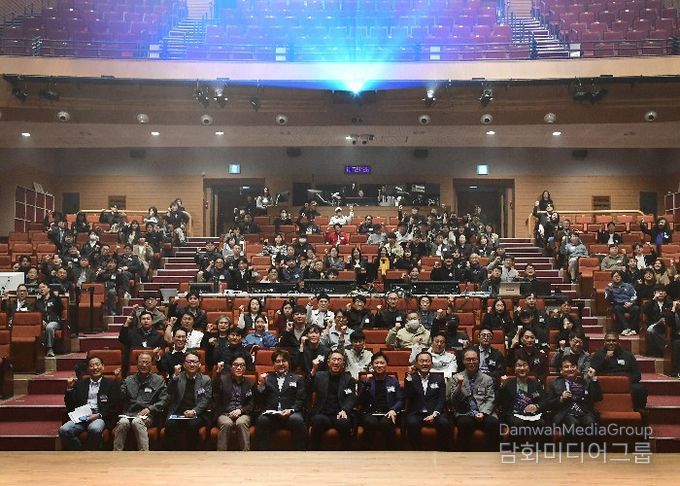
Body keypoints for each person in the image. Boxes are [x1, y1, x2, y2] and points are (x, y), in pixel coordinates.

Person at [59, 355, 120, 450]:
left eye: (97, 364)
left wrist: (98, 415)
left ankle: (92, 452)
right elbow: (70, 405)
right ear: (88, 369)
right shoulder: (80, 384)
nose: (95, 368)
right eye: (91, 366)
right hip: (81, 417)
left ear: (103, 367)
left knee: (94, 428)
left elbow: (113, 406)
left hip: (99, 416)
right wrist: (70, 388)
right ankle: (80, 452)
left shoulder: (111, 384)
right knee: (64, 430)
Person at [113, 352, 168, 451]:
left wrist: (150, 408)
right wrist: (117, 381)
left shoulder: (159, 380)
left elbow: (164, 400)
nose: (144, 365)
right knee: (122, 422)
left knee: (137, 421)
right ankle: (117, 452)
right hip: (129, 413)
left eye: (147, 362)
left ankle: (144, 453)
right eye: (141, 362)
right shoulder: (128, 380)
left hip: (148, 415)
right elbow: (120, 397)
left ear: (151, 364)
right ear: (137, 364)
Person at [254, 350, 307, 450]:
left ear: (288, 363)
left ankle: (300, 453)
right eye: (278, 361)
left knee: (297, 420)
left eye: (284, 361)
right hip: (272, 414)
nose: (281, 364)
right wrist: (261, 385)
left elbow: (301, 399)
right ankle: (261, 454)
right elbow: (259, 399)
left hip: (291, 413)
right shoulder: (267, 378)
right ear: (273, 364)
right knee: (262, 420)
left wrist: (291, 410)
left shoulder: (297, 378)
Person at [544, 355, 602, 442]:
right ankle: (571, 449)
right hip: (564, 413)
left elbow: (597, 398)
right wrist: (561, 398)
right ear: (561, 370)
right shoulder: (554, 383)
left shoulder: (585, 382)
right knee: (573, 423)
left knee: (591, 423)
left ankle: (590, 449)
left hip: (583, 412)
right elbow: (548, 404)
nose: (570, 369)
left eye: (573, 366)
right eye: (566, 367)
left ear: (577, 369)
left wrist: (593, 379)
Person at [451, 347, 499, 451]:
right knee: (464, 423)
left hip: (484, 411)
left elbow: (491, 399)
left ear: (478, 360)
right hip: (465, 412)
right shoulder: (456, 378)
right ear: (463, 361)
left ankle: (491, 454)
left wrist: (483, 413)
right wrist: (459, 385)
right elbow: (454, 400)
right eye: (468, 360)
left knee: (493, 423)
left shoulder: (487, 379)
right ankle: (463, 455)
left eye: (474, 359)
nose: (471, 362)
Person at [308, 350, 357, 450]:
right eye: (333, 359)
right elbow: (308, 389)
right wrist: (313, 370)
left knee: (344, 422)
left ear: (343, 364)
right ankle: (314, 453)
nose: (336, 362)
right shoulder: (319, 376)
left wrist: (345, 410)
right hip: (323, 413)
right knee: (318, 420)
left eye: (339, 360)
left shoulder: (348, 379)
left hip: (340, 414)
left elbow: (351, 397)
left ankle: (347, 454)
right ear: (328, 362)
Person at [164, 352, 212, 450]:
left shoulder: (205, 380)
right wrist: (174, 376)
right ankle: (172, 453)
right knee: (170, 424)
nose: (192, 364)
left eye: (195, 362)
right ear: (184, 364)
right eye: (189, 362)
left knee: (192, 424)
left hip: (197, 414)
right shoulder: (177, 377)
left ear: (199, 364)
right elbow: (169, 392)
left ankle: (191, 453)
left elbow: (206, 400)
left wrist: (194, 411)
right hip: (178, 412)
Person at [404, 351, 449, 450]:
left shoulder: (439, 379)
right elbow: (408, 396)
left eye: (427, 361)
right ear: (416, 364)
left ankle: (441, 451)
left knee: (444, 423)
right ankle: (417, 451)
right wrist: (409, 376)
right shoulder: (411, 378)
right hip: (417, 413)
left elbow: (441, 399)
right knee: (412, 423)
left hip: (434, 412)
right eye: (421, 361)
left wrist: (434, 414)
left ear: (431, 364)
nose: (424, 363)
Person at [590, 331, 648, 410]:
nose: (611, 343)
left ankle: (638, 411)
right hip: (605, 383)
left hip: (625, 383)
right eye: (608, 341)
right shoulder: (598, 354)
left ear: (618, 342)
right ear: (604, 342)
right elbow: (593, 371)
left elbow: (637, 375)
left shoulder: (628, 355)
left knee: (640, 389)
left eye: (614, 341)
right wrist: (605, 359)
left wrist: (624, 381)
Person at [358, 352, 402, 450]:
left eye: (382, 363)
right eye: (376, 363)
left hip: (388, 412)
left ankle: (392, 452)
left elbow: (400, 399)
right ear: (372, 365)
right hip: (369, 412)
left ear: (386, 365)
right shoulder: (366, 381)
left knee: (386, 423)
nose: (379, 365)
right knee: (371, 423)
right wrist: (366, 386)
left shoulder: (393, 381)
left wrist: (393, 410)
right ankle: (366, 452)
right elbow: (359, 401)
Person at [497, 357, 546, 444]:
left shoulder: (536, 384)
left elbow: (544, 401)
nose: (522, 368)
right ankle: (518, 449)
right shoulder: (508, 384)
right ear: (515, 369)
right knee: (518, 423)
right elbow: (498, 400)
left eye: (524, 365)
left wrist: (536, 406)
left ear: (529, 368)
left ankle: (535, 449)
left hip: (531, 415)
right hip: (513, 414)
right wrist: (502, 386)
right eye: (519, 366)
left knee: (541, 423)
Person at [213, 354, 255, 451]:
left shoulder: (250, 383)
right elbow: (214, 392)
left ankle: (246, 454)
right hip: (225, 413)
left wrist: (241, 410)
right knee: (226, 423)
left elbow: (251, 403)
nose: (239, 368)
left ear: (245, 367)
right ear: (231, 367)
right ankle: (221, 455)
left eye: (242, 365)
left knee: (241, 422)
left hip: (243, 414)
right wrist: (218, 373)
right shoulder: (222, 380)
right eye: (236, 365)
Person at [605, 270, 640, 336]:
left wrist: (631, 302)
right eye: (615, 276)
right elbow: (608, 299)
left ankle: (633, 329)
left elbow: (634, 296)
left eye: (619, 276)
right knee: (617, 308)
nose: (617, 277)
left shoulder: (628, 286)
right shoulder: (609, 288)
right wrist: (610, 290)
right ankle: (626, 328)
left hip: (629, 304)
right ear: (612, 278)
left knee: (636, 308)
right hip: (618, 305)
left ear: (621, 277)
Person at [35, 282, 64, 357]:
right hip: (43, 322)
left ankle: (49, 349)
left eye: (43, 287)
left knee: (49, 327)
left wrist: (57, 297)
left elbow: (61, 308)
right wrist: (40, 320)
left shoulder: (55, 299)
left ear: (48, 289)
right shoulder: (38, 302)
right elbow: (36, 314)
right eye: (40, 288)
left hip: (54, 321)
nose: (41, 289)